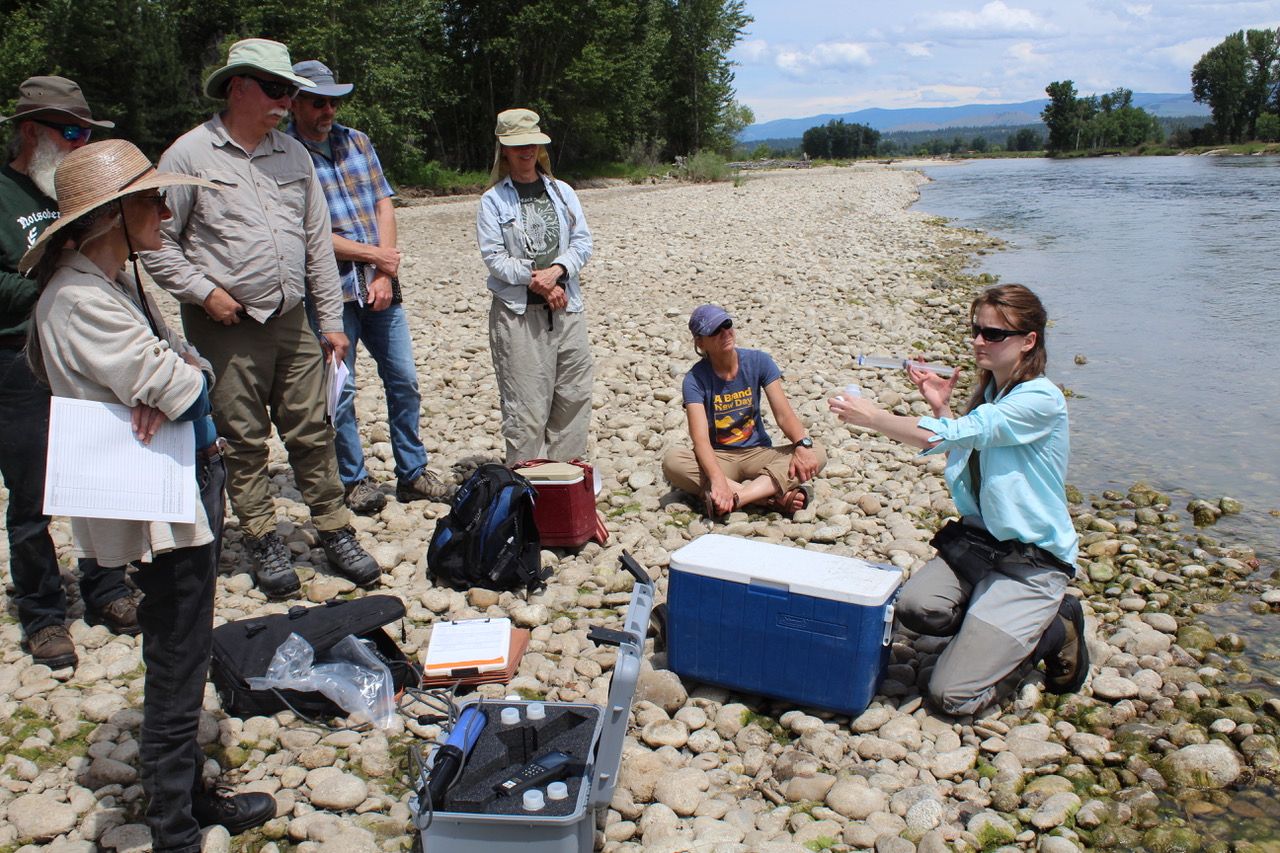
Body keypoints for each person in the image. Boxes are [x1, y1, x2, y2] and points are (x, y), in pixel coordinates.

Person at [23, 139, 276, 852]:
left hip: (173, 478)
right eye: (153, 199)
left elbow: (184, 369)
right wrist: (176, 385)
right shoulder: (77, 297)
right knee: (176, 652)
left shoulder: (108, 283)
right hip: (157, 498)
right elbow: (190, 383)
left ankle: (184, 792)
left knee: (181, 645)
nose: (167, 210)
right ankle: (175, 823)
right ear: (113, 216)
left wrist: (176, 382)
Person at [141, 38, 380, 598]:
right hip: (223, 326)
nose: (286, 101)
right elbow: (156, 243)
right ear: (238, 87)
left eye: (290, 91)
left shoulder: (294, 156)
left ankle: (334, 529)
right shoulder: (188, 157)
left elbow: (317, 243)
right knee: (242, 440)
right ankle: (262, 537)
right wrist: (205, 293)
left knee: (313, 429)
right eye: (277, 89)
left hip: (293, 319)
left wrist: (332, 321)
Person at [828, 284, 1088, 716]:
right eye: (976, 330)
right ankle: (988, 627)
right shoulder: (991, 395)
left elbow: (953, 436)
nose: (978, 341)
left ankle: (1055, 629)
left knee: (950, 696)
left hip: (1031, 563)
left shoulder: (1041, 399)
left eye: (993, 334)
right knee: (916, 607)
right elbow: (962, 445)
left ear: (1029, 341)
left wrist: (872, 416)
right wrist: (943, 407)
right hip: (982, 547)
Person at [0, 75, 138, 670]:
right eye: (73, 131)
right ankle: (42, 613)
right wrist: (55, 287)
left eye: (89, 132)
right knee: (31, 493)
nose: (83, 143)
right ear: (31, 130)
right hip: (18, 357)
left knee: (95, 472)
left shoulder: (75, 190)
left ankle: (106, 588)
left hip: (81, 349)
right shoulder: (3, 194)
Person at [286, 59, 451, 513]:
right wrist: (374, 256)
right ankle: (353, 479)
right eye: (318, 102)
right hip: (328, 292)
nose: (328, 111)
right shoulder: (284, 152)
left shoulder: (357, 141)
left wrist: (384, 271)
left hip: (380, 286)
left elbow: (384, 206)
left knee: (405, 380)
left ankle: (412, 472)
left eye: (333, 102)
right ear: (295, 103)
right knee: (342, 391)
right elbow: (306, 234)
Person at [476, 108, 593, 464]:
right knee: (525, 409)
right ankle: (527, 491)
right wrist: (536, 280)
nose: (526, 151)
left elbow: (583, 242)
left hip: (567, 309)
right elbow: (494, 257)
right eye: (517, 145)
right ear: (504, 150)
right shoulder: (492, 201)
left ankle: (565, 485)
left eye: (531, 144)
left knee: (573, 398)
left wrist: (556, 270)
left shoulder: (563, 192)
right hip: (518, 317)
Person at [663, 304, 826, 517]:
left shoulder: (759, 362)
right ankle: (770, 497)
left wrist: (802, 446)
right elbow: (700, 439)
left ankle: (738, 498)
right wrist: (718, 478)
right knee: (673, 461)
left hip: (758, 452)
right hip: (719, 457)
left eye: (727, 325)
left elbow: (784, 415)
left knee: (817, 451)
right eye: (715, 331)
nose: (725, 333)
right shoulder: (694, 379)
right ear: (700, 343)